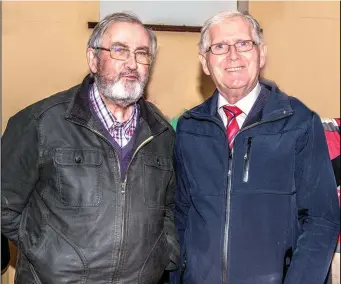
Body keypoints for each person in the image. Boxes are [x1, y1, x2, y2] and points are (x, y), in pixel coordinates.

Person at [1, 12, 179, 284]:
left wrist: (162, 254)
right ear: (93, 59)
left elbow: (170, 208)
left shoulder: (162, 133)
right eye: (119, 50)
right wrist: (46, 250)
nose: (132, 63)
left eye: (142, 53)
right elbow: (5, 205)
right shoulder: (40, 123)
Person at [171, 10, 339, 284]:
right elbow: (181, 215)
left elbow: (322, 220)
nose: (233, 56)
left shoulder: (299, 123)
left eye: (243, 44)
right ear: (204, 62)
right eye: (220, 47)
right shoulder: (190, 127)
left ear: (261, 54)